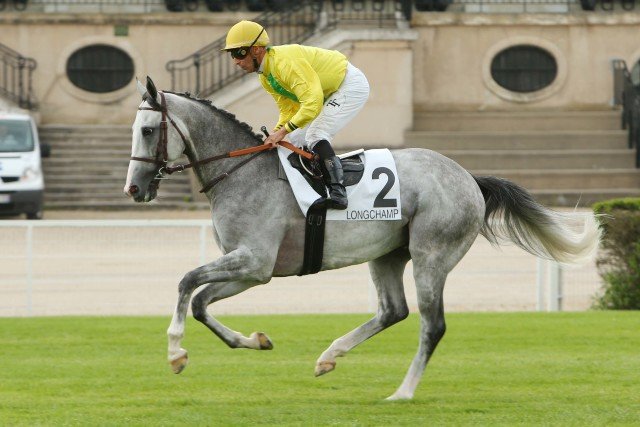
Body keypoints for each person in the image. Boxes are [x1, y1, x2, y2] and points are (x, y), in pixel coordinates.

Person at [223, 20, 370, 210]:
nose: (236, 61)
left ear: (257, 50)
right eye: (232, 54)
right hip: (327, 92)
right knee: (295, 137)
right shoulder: (265, 76)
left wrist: (281, 132)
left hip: (348, 85)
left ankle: (338, 193)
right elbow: (288, 109)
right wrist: (276, 133)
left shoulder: (284, 64)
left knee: (316, 134)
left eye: (239, 53)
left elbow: (312, 102)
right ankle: (314, 187)